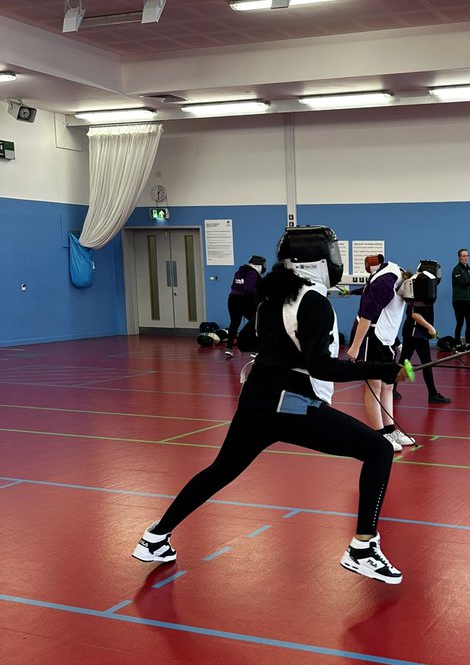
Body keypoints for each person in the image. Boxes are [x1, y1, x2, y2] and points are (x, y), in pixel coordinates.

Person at [133, 227, 408, 584]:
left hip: (256, 400)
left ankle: (155, 537)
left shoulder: (274, 297)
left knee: (220, 470)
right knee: (378, 450)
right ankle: (363, 548)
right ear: (316, 261)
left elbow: (248, 339)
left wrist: (280, 346)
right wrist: (385, 368)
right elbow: (321, 366)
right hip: (289, 405)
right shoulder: (313, 301)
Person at [346, 254, 414, 451]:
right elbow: (366, 315)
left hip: (387, 340)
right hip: (370, 337)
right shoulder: (387, 282)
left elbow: (392, 315)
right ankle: (380, 435)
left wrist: (396, 342)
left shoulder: (401, 285)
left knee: (388, 387)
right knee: (374, 387)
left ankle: (390, 429)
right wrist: (355, 347)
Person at [397, 262, 451, 404]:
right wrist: (430, 327)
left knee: (405, 361)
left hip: (414, 332)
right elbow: (415, 315)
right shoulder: (419, 289)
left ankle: (392, 389)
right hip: (415, 333)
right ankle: (432, 394)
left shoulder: (424, 289)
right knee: (423, 363)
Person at [225, 255, 266, 357]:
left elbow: (233, 286)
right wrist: (261, 295)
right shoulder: (253, 273)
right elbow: (249, 289)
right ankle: (255, 350)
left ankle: (229, 348)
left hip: (232, 299)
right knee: (256, 322)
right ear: (259, 265)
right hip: (244, 300)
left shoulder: (239, 272)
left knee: (234, 323)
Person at [451, 248, 470, 349]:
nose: (466, 258)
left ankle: (467, 343)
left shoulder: (468, 269)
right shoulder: (456, 270)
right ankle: (457, 344)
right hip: (458, 300)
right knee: (460, 322)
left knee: (469, 322)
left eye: (467, 256)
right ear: (459, 258)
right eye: (463, 256)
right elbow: (462, 284)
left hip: (468, 300)